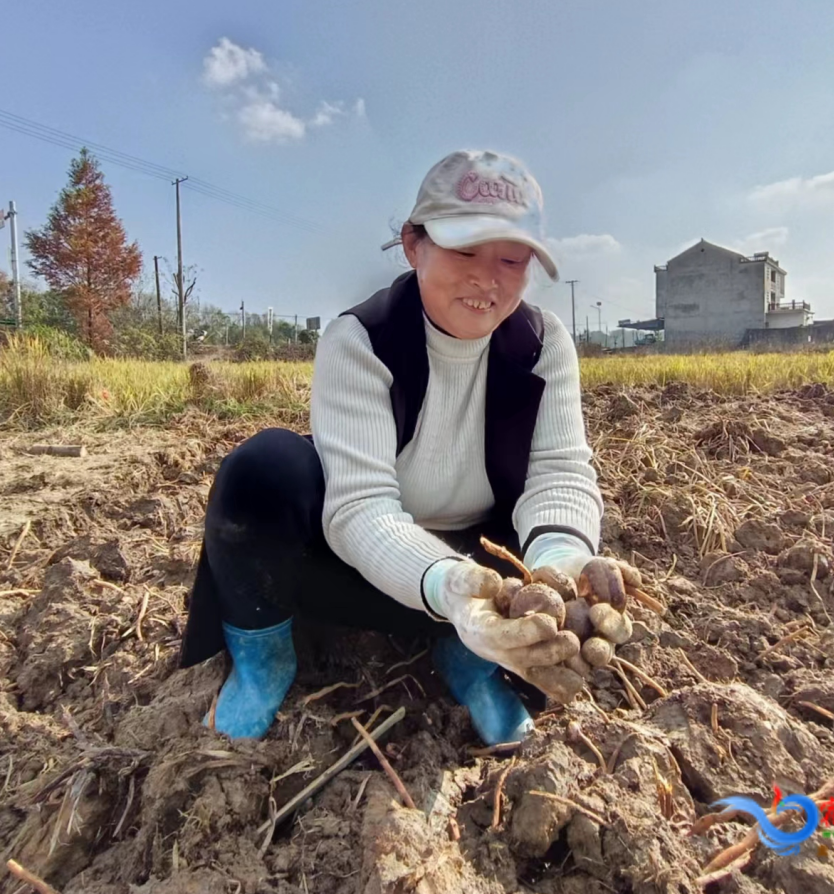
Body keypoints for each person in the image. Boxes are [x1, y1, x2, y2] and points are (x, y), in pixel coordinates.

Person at [179, 148, 619, 746]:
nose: (486, 278)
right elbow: (360, 509)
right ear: (414, 245)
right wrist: (453, 592)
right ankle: (264, 663)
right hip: (364, 567)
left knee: (551, 542)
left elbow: (559, 474)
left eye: (511, 258)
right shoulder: (361, 340)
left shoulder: (542, 344)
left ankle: (479, 658)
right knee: (264, 470)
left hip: (487, 563)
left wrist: (562, 569)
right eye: (464, 249)